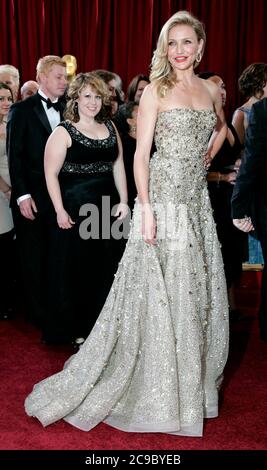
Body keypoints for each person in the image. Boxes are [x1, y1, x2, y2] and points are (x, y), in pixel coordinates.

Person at [25, 11, 229, 437]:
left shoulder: (211, 89)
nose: (179, 51)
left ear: (200, 46)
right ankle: (160, 387)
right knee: (164, 289)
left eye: (187, 42)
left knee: (196, 291)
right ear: (163, 48)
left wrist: (203, 160)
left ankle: (189, 385)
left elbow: (221, 127)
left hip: (197, 204)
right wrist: (146, 206)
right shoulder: (156, 91)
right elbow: (139, 155)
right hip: (164, 201)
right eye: (171, 43)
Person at [43, 72, 128, 345]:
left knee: (107, 268)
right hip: (77, 212)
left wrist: (125, 201)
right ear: (76, 98)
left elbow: (118, 166)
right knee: (78, 271)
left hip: (108, 209)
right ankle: (76, 329)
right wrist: (59, 210)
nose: (92, 102)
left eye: (98, 97)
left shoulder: (111, 127)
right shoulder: (63, 132)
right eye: (87, 96)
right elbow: (50, 174)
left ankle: (102, 329)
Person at [7, 55, 67, 334]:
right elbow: (15, 157)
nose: (64, 81)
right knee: (33, 256)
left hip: (63, 196)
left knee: (58, 255)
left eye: (65, 77)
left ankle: (57, 309)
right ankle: (37, 314)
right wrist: (22, 196)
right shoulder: (21, 110)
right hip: (32, 196)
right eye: (58, 76)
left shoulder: (71, 108)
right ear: (42, 77)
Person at [198, 71, 244, 320]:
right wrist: (223, 177)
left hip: (231, 197)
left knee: (232, 252)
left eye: (224, 86)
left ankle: (231, 304)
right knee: (216, 251)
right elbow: (195, 171)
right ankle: (216, 308)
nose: (223, 91)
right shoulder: (203, 125)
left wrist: (238, 166)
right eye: (217, 87)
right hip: (212, 196)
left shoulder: (227, 120)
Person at [232, 98, 267, 343]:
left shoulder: (262, 109)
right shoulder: (262, 110)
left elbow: (252, 160)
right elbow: (252, 160)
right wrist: (239, 206)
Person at [0, 83, 14, 320]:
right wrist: (6, 189)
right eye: (0, 99)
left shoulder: (10, 123)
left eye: (8, 98)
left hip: (14, 192)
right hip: (3, 193)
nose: (6, 102)